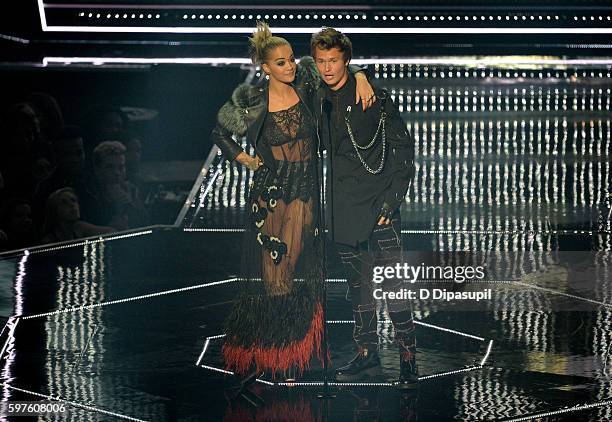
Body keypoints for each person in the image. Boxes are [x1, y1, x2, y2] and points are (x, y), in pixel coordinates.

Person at [210, 22, 374, 382]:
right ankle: (271, 353)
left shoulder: (307, 80)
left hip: (304, 188)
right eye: (281, 63)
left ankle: (287, 355)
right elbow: (220, 132)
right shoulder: (250, 100)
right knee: (273, 274)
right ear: (265, 68)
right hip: (269, 191)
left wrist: (360, 76)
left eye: (290, 60)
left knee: (291, 268)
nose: (290, 67)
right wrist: (246, 160)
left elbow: (341, 65)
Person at [311, 27, 418, 388]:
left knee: (393, 284)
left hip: (379, 206)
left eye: (334, 61)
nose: (327, 68)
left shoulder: (374, 98)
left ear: (346, 60)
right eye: (321, 61)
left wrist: (393, 199)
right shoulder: (317, 99)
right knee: (359, 287)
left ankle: (407, 355)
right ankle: (366, 352)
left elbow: (404, 150)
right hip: (342, 208)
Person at [41, 187, 113, 244]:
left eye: (73, 200)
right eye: (64, 203)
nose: (72, 205)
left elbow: (111, 232)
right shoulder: (48, 242)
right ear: (54, 210)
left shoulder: (80, 227)